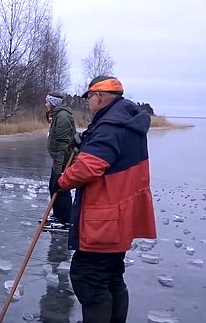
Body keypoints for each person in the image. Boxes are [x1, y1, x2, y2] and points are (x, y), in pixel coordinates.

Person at [57, 75, 157, 323]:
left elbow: (90, 167)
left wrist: (62, 181)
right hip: (121, 215)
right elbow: (110, 157)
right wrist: (87, 141)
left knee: (87, 277)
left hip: (105, 217)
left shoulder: (111, 125)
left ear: (99, 97)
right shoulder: (127, 121)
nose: (88, 103)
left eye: (89, 98)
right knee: (111, 276)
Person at [44, 92, 76, 229]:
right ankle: (58, 215)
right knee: (53, 187)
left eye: (47, 102)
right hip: (58, 158)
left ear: (53, 103)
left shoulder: (62, 117)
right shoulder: (57, 115)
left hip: (63, 159)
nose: (45, 104)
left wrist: (59, 166)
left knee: (60, 188)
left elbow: (64, 143)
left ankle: (66, 220)